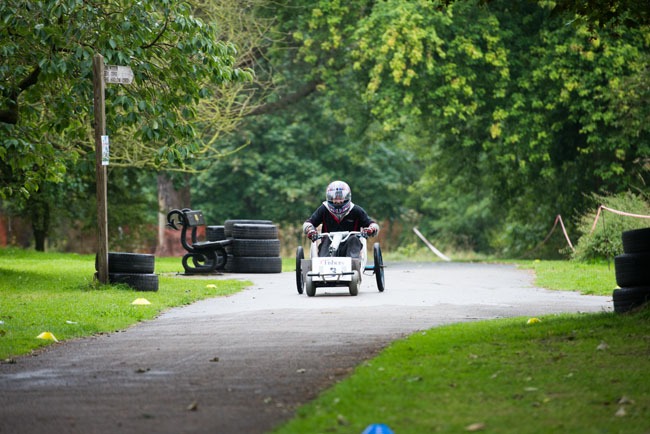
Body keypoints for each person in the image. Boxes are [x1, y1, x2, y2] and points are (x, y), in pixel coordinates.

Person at [303, 180, 380, 258]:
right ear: (329, 197)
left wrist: (371, 229)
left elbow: (372, 224)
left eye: (340, 198)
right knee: (326, 239)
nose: (338, 201)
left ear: (347, 197)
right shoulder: (324, 209)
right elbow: (309, 223)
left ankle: (353, 264)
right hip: (329, 244)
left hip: (350, 244)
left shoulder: (356, 210)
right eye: (335, 198)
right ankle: (323, 263)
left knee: (354, 239)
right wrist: (310, 230)